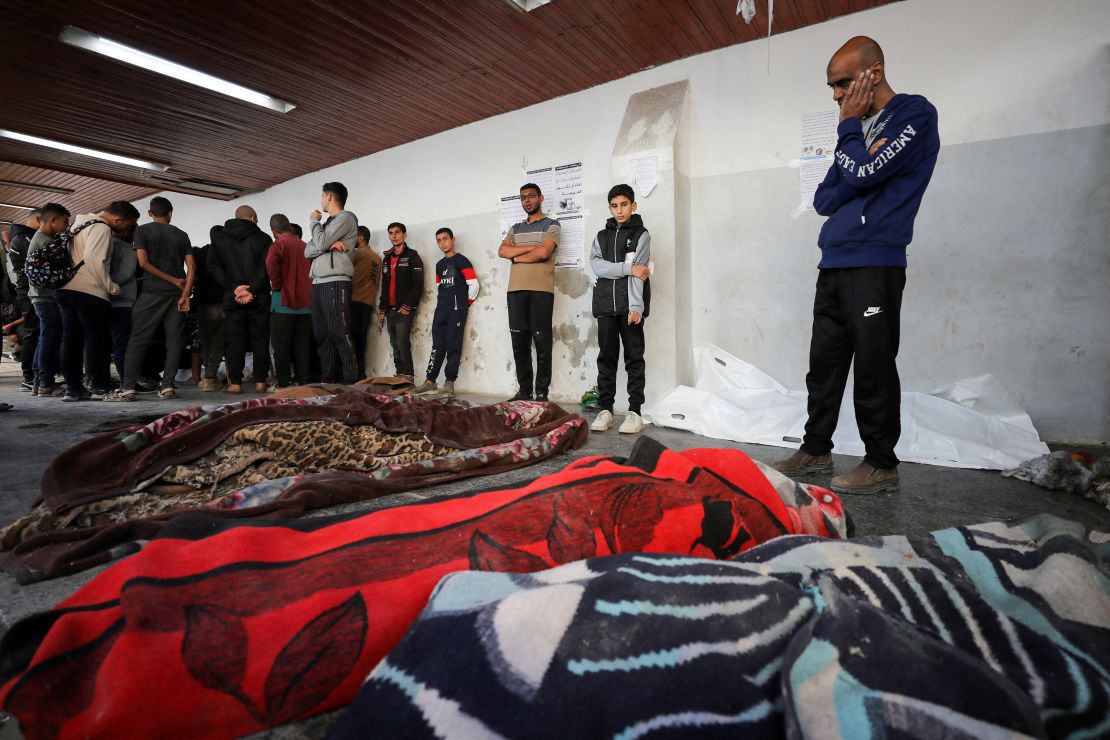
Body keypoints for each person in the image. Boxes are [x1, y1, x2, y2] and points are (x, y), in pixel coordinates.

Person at [771, 36, 940, 494]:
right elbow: (825, 198)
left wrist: (854, 151)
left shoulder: (915, 114)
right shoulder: (859, 131)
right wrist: (859, 164)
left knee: (873, 365)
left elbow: (862, 173)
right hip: (835, 263)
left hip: (875, 263)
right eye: (832, 87)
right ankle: (815, 448)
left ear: (875, 72)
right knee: (823, 365)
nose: (836, 95)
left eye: (843, 83)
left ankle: (882, 462)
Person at [104, 197, 194, 401]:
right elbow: (191, 267)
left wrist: (172, 280)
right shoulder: (181, 235)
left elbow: (143, 263)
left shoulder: (142, 231)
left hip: (151, 293)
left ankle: (128, 387)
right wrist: (185, 293)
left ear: (150, 214)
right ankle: (168, 386)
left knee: (137, 340)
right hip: (175, 296)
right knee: (173, 342)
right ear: (170, 213)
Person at [54, 201, 138, 402]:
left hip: (66, 289)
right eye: (128, 226)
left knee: (71, 340)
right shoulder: (101, 228)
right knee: (97, 340)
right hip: (89, 292)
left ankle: (73, 388)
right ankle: (100, 386)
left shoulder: (78, 225)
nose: (127, 230)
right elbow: (94, 260)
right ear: (118, 219)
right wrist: (111, 287)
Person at [588, 184, 651, 435]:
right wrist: (626, 268)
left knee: (634, 358)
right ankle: (606, 409)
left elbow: (641, 271)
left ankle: (635, 411)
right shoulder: (601, 237)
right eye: (615, 206)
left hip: (629, 306)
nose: (619, 210)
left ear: (633, 205)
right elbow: (598, 267)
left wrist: (636, 305)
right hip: (604, 304)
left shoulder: (642, 235)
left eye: (624, 204)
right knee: (606, 357)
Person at [497, 183, 559, 401]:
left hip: (541, 291)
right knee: (519, 343)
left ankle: (541, 393)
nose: (527, 201)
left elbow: (544, 252)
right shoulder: (515, 228)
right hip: (515, 291)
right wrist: (529, 249)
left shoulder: (552, 225)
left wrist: (516, 256)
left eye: (531, 196)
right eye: (523, 198)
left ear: (540, 198)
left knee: (542, 343)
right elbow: (502, 251)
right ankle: (524, 391)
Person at [208, 205, 273, 393]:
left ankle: (235, 383)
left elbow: (213, 266)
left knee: (235, 339)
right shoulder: (263, 239)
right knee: (260, 338)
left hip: (232, 296)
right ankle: (261, 381)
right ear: (253, 218)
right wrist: (251, 289)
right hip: (259, 295)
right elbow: (266, 267)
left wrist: (234, 288)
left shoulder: (219, 239)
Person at [413, 227, 479, 397]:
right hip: (441, 310)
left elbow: (474, 285)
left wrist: (464, 304)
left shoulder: (462, 261)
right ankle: (430, 381)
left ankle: (449, 382)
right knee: (437, 346)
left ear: (452, 240)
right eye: (439, 240)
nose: (442, 243)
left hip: (456, 311)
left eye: (445, 239)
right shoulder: (439, 265)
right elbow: (439, 287)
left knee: (453, 346)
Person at [305, 182, 359, 384]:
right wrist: (327, 245)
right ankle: (328, 379)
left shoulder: (346, 218)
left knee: (339, 333)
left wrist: (313, 222)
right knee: (321, 334)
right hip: (318, 283)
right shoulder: (327, 224)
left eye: (322, 196)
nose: (320, 201)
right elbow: (307, 250)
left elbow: (318, 243)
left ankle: (351, 380)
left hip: (336, 282)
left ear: (329, 197)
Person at [26, 203, 70, 397]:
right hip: (45, 297)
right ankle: (45, 383)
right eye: (65, 221)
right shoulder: (44, 241)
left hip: (40, 297)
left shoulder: (42, 239)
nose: (66, 226)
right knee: (49, 339)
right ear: (52, 220)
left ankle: (39, 382)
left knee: (46, 338)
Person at [266, 213, 312, 389]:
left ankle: (283, 384)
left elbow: (271, 266)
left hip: (282, 304)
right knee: (303, 347)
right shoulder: (305, 246)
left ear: (274, 231)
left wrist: (277, 286)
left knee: (281, 347)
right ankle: (304, 383)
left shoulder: (278, 245)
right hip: (307, 305)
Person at [376, 222, 423, 381]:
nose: (394, 236)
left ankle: (408, 376)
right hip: (389, 309)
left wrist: (407, 305)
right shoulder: (386, 258)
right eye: (391, 233)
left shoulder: (413, 256)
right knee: (394, 344)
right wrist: (382, 309)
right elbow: (384, 285)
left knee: (402, 343)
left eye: (397, 232)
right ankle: (399, 375)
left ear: (404, 234)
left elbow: (418, 284)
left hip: (404, 308)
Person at [5, 208, 42, 391]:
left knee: (37, 334)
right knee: (32, 334)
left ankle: (36, 375)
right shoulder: (24, 239)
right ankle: (29, 377)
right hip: (28, 292)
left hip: (28, 292)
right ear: (38, 219)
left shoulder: (22, 237)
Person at [192, 231, 225, 391]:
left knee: (206, 343)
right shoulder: (227, 254)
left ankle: (209, 377)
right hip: (223, 302)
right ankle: (210, 377)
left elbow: (193, 274)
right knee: (219, 342)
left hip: (204, 303)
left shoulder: (201, 253)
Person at [108, 222, 139, 386]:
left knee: (103, 342)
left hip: (104, 299)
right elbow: (127, 273)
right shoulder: (126, 248)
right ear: (128, 231)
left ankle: (98, 379)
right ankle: (127, 382)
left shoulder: (106, 243)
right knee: (122, 343)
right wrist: (111, 286)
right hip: (122, 301)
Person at [350, 226, 382, 379]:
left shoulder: (357, 253)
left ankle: (352, 375)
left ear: (360, 238)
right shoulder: (377, 258)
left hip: (354, 301)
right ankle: (360, 374)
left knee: (350, 342)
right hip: (368, 303)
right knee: (361, 341)